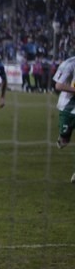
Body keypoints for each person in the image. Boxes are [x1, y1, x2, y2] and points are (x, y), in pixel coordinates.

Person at [51, 54, 75, 183]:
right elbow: (58, 86)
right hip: (67, 107)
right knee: (64, 140)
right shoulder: (69, 64)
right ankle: (62, 137)